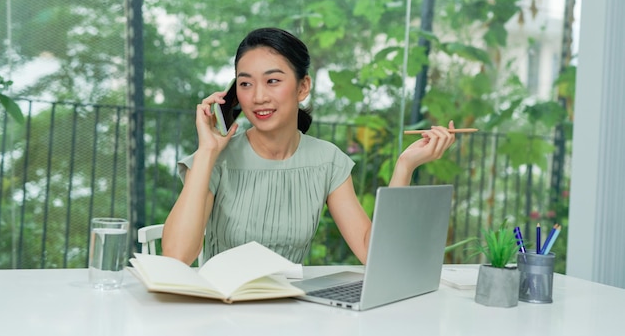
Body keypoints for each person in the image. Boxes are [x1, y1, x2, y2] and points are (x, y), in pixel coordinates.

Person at [161, 27, 456, 265]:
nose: (258, 96)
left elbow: (374, 254)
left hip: (293, 312)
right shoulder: (216, 160)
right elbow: (176, 257)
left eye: (272, 80)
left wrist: (405, 166)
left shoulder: (327, 161)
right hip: (223, 313)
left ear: (303, 87)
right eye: (246, 83)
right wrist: (208, 152)